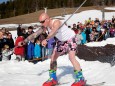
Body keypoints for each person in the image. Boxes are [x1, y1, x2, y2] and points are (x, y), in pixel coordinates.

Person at [39, 13, 85, 86]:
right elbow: (35, 34)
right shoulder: (45, 26)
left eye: (42, 21)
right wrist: (24, 41)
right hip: (61, 41)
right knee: (53, 57)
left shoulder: (56, 22)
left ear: (48, 19)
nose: (41, 23)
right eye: (40, 22)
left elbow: (54, 31)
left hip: (71, 38)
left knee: (71, 57)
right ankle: (53, 78)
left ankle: (80, 78)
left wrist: (46, 39)